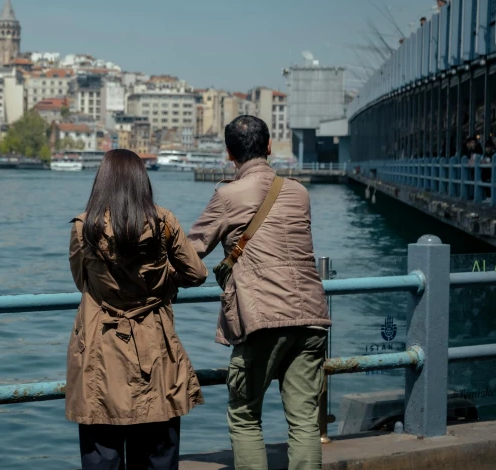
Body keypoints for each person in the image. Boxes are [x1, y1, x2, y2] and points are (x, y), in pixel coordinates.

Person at [187, 115, 331, 470]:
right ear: (269, 147)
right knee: (304, 422)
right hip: (310, 317)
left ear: (228, 154)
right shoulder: (299, 191)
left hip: (260, 318)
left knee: (245, 415)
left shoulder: (226, 195)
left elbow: (191, 252)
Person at [66, 149, 209, 470]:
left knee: (103, 454)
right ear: (141, 181)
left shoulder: (83, 228)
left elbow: (82, 282)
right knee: (157, 452)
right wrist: (164, 281)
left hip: (99, 353)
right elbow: (197, 274)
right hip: (154, 350)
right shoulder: (163, 223)